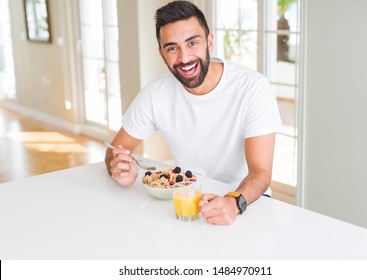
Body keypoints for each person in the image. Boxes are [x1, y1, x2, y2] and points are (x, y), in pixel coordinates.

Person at [105, 0, 282, 225]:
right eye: (172, 48)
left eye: (192, 43)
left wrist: (233, 202)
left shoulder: (253, 87)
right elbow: (114, 150)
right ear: (162, 54)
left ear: (209, 42)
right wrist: (119, 168)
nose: (185, 57)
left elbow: (261, 173)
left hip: (245, 200)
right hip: (189, 199)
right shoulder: (155, 93)